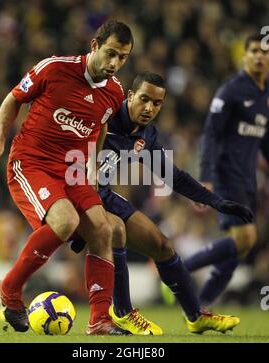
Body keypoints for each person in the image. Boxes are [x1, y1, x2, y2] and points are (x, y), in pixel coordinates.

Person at [70, 72, 253, 335]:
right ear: (130, 96)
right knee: (117, 230)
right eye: (144, 99)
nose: (149, 108)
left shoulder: (146, 135)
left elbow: (173, 177)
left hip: (102, 193)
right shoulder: (104, 115)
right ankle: (122, 313)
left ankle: (196, 316)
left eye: (156, 104)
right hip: (72, 191)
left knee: (163, 245)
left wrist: (216, 202)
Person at [0, 21, 134, 335]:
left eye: (122, 58)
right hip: (32, 162)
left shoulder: (114, 92)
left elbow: (100, 126)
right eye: (110, 54)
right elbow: (13, 99)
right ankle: (10, 289)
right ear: (94, 45)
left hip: (74, 169)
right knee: (65, 222)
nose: (114, 63)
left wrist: (93, 165)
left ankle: (100, 320)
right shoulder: (53, 68)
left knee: (104, 230)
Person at [184, 34, 269, 306]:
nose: (259, 56)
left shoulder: (264, 96)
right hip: (225, 174)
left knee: (240, 246)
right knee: (246, 237)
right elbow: (210, 135)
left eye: (264, 52)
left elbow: (264, 140)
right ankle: (179, 268)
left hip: (248, 180)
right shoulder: (231, 91)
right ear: (243, 56)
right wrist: (206, 178)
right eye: (253, 51)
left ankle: (199, 305)